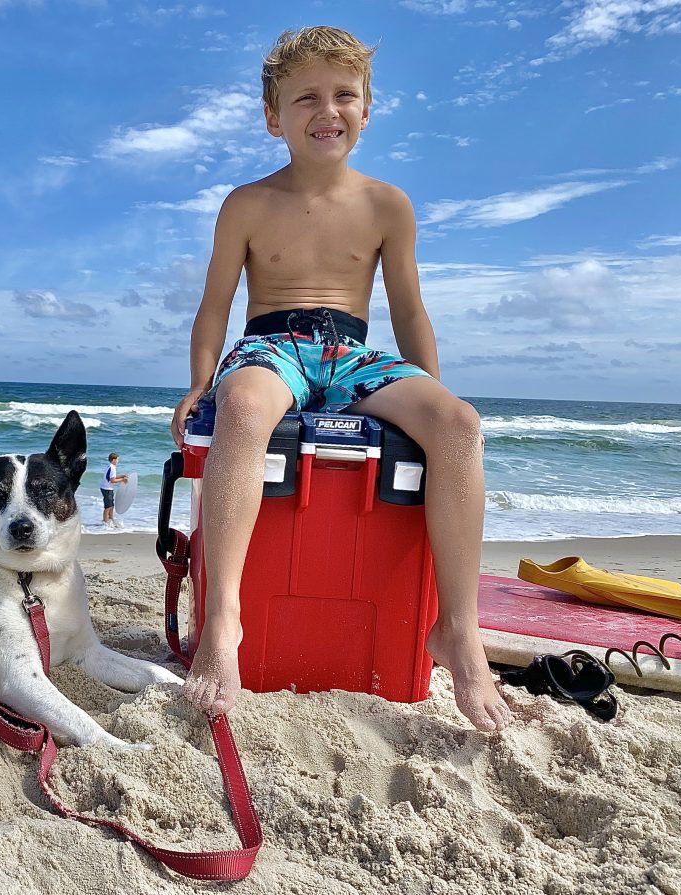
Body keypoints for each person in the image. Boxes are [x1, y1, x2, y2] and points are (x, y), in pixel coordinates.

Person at [169, 26, 513, 732]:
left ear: (367, 108)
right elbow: (214, 307)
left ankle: (458, 633)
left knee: (460, 425)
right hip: (274, 345)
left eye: (344, 95)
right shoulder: (246, 203)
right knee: (241, 410)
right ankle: (226, 617)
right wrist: (201, 383)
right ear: (275, 118)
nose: (328, 111)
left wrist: (433, 401)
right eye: (306, 99)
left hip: (352, 354)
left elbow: (409, 310)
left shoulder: (388, 205)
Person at [99, 452, 128, 527]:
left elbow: (113, 477)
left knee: (111, 505)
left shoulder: (110, 466)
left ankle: (111, 519)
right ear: (113, 460)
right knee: (108, 506)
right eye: (117, 459)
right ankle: (105, 523)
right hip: (107, 488)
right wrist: (122, 480)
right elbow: (112, 480)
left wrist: (122, 476)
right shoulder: (112, 468)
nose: (118, 461)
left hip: (106, 488)